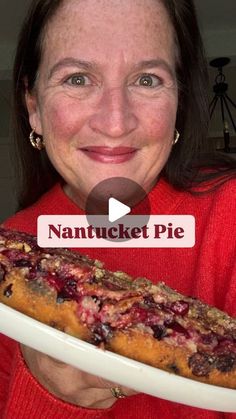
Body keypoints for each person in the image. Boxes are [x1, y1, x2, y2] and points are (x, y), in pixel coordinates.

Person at [0, 0, 236, 417]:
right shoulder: (12, 258)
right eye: (77, 78)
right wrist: (52, 395)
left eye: (147, 79)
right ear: (33, 106)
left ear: (178, 100)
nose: (115, 122)